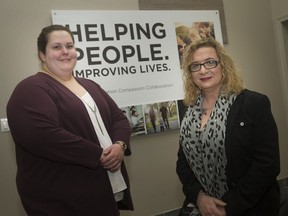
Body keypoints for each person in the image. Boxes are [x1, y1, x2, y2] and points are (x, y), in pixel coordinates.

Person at [6, 24, 133, 215]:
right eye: (57, 47)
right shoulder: (30, 89)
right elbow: (43, 136)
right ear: (42, 54)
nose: (65, 52)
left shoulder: (89, 84)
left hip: (104, 189)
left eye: (70, 46)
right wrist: (98, 155)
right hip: (64, 200)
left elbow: (119, 118)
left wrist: (119, 145)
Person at [176, 37, 280, 216]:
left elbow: (267, 165)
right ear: (190, 73)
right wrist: (200, 197)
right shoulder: (188, 110)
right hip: (204, 207)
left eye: (210, 62)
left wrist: (228, 206)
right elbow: (183, 163)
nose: (203, 70)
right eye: (196, 65)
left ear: (223, 65)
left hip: (250, 207)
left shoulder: (253, 104)